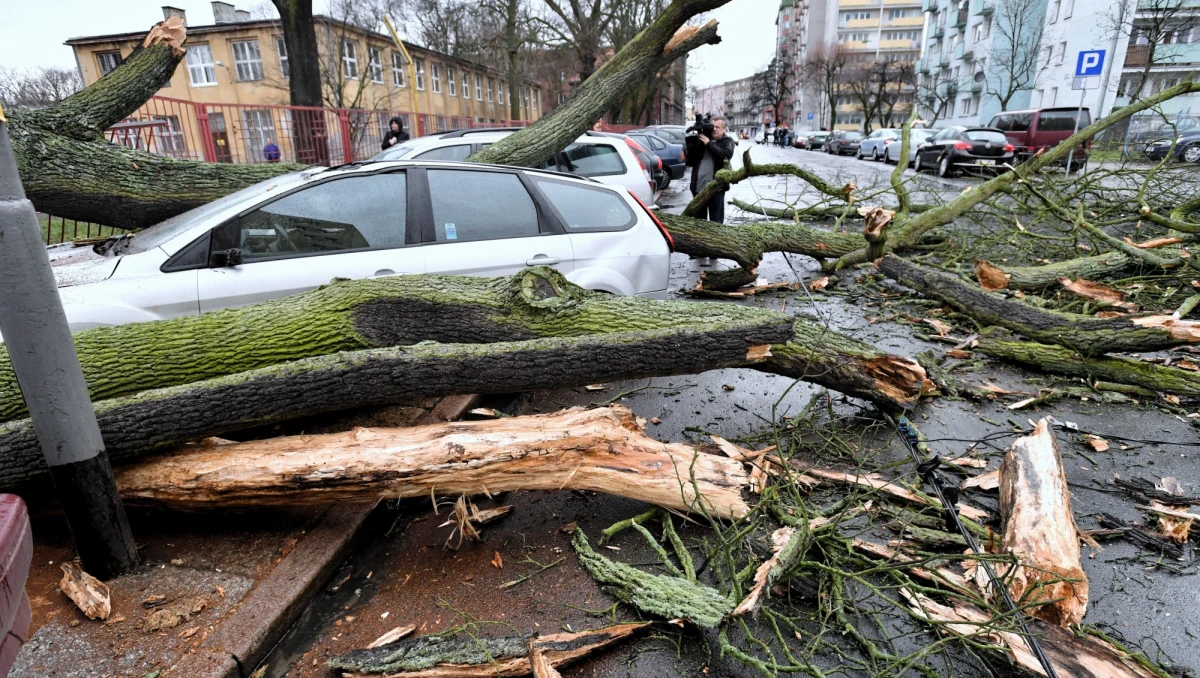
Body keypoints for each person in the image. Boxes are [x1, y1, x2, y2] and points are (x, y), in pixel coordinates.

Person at [688, 115, 735, 224]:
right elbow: (690, 162)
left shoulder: (727, 141)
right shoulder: (702, 139)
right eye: (712, 126)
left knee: (716, 222)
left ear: (724, 129)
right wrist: (690, 147)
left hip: (716, 189)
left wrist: (709, 144)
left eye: (718, 127)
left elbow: (725, 155)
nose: (714, 129)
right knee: (699, 222)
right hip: (698, 188)